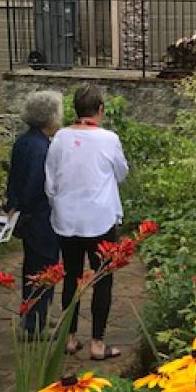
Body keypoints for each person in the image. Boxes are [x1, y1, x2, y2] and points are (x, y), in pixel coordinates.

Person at [45, 84, 129, 359]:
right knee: (102, 279)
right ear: (100, 110)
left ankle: (69, 338)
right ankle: (97, 343)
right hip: (100, 219)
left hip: (66, 218)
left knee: (71, 276)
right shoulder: (109, 139)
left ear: (76, 109)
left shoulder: (59, 138)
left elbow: (50, 181)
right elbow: (121, 172)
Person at [4, 90, 63, 338]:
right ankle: (33, 326)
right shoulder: (41, 147)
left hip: (26, 215)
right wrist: (26, 209)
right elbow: (36, 184)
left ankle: (35, 316)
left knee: (33, 267)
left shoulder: (24, 141)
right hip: (39, 217)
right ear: (50, 116)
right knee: (44, 268)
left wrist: (13, 206)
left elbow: (14, 178)